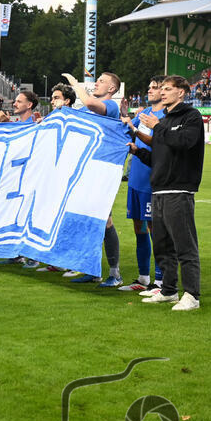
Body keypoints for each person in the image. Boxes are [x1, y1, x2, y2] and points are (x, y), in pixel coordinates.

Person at [130, 75, 204, 311]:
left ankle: (192, 295)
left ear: (181, 92)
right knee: (162, 246)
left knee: (185, 245)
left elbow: (185, 142)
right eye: (161, 88)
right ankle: (169, 291)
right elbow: (159, 158)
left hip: (179, 189)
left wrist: (157, 127)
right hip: (159, 189)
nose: (162, 92)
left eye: (168, 89)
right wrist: (137, 151)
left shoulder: (191, 116)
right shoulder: (164, 120)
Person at [65, 72, 124, 287]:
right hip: (85, 168)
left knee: (105, 221)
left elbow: (90, 103)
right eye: (97, 79)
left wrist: (75, 84)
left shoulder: (111, 106)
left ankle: (115, 274)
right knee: (86, 218)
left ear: (112, 89)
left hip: (102, 169)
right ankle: (91, 269)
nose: (96, 83)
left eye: (101, 81)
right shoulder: (87, 109)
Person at [120, 76, 166, 293]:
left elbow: (158, 143)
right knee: (139, 228)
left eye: (154, 87)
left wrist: (134, 127)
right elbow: (130, 132)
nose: (150, 90)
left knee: (155, 229)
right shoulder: (144, 113)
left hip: (151, 180)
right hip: (135, 178)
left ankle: (161, 281)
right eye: (149, 87)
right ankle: (143, 278)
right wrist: (125, 117)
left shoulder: (165, 116)